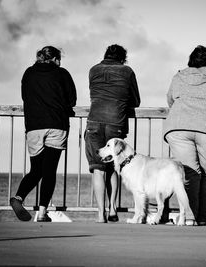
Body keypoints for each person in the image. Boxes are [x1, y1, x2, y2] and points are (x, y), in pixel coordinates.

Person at [163, 45, 206, 226]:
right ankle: (202, 218)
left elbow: (170, 99)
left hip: (179, 128)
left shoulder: (179, 76)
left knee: (190, 173)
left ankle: (190, 218)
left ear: (190, 61)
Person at [10, 46, 77, 222]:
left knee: (36, 170)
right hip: (56, 124)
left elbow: (25, 97)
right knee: (49, 171)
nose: (60, 62)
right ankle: (41, 213)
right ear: (54, 58)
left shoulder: (29, 73)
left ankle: (18, 198)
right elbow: (72, 100)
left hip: (34, 126)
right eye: (59, 59)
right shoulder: (62, 73)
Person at [85, 44, 140, 223]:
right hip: (116, 123)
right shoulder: (127, 72)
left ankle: (100, 214)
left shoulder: (93, 70)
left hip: (94, 121)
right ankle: (113, 210)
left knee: (98, 169)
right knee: (114, 167)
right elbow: (136, 101)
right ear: (123, 58)